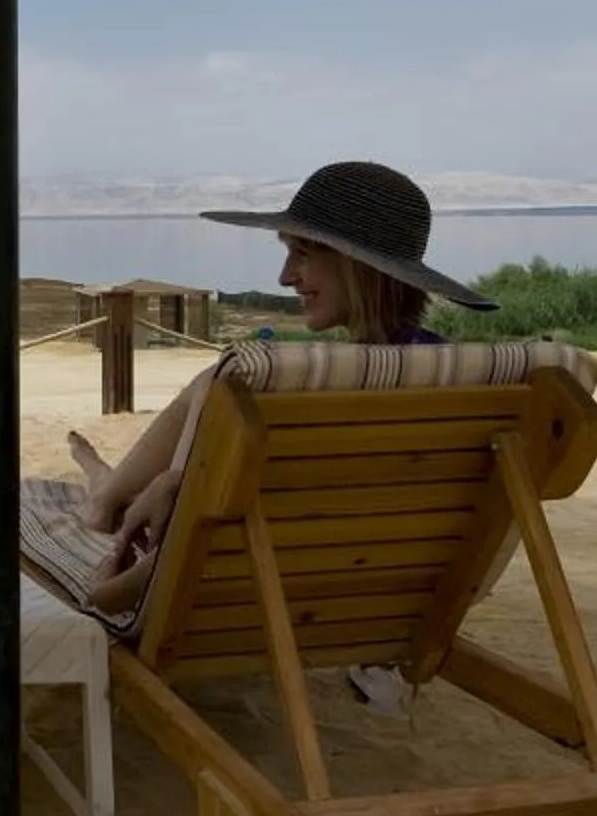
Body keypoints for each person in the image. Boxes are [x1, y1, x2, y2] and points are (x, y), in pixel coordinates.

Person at [64, 160, 497, 613]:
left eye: (302, 255)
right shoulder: (460, 386)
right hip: (392, 598)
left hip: (283, 589)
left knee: (214, 381)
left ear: (359, 267)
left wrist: (178, 486)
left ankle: (105, 496)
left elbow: (111, 598)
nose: (285, 277)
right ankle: (106, 490)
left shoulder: (323, 394)